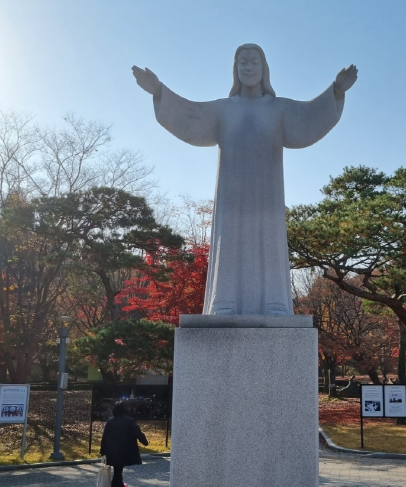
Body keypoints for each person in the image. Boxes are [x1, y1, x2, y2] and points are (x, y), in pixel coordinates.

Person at [132, 44, 357, 316]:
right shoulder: (224, 110)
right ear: (235, 70)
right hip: (232, 195)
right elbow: (191, 115)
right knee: (229, 241)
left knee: (270, 240)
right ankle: (223, 302)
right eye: (243, 63)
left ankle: (275, 303)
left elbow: (308, 117)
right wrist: (159, 92)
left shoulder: (279, 109)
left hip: (268, 194)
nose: (249, 68)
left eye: (254, 62)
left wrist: (335, 91)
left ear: (264, 69)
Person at [99, 401, 149, 487]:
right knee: (118, 470)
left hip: (111, 450)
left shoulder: (110, 421)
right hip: (124, 450)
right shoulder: (129, 421)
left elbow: (105, 437)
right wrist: (145, 442)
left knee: (118, 469)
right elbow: (137, 433)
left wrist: (103, 451)